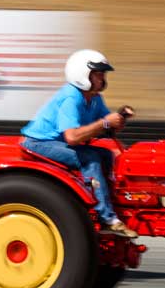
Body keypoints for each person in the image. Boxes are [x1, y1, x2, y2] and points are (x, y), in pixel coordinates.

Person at [21, 49, 138, 238]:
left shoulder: (94, 98)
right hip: (39, 143)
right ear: (82, 75)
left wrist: (120, 118)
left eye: (103, 74)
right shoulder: (71, 97)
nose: (102, 79)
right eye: (98, 74)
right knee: (90, 157)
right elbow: (73, 138)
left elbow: (106, 127)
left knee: (107, 154)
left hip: (57, 143)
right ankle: (106, 218)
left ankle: (111, 202)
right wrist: (106, 122)